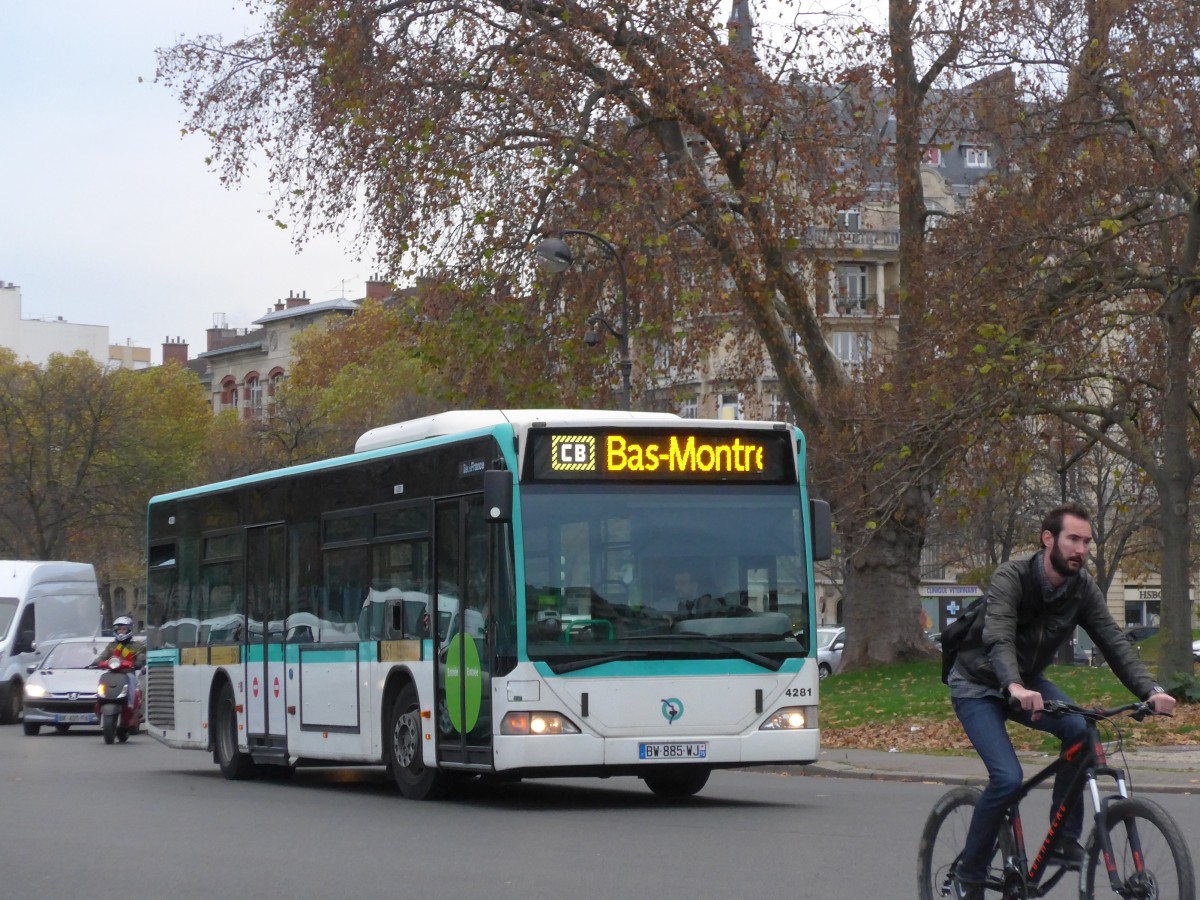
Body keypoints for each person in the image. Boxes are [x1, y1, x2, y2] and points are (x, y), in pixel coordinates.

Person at [947, 503, 1176, 900]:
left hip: (1029, 682)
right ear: (1048, 538)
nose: (1081, 549)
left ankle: (1065, 841)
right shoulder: (1012, 577)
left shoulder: (1082, 589)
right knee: (1007, 779)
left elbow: (1114, 642)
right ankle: (971, 871)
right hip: (978, 685)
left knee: (1081, 732)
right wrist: (1014, 686)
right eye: (1073, 539)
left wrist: (1150, 691)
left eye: (1087, 542)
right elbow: (998, 636)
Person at [94, 615, 146, 707]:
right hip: (112, 673)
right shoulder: (112, 645)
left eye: (123, 629)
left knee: (132, 683)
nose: (121, 631)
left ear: (129, 630)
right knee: (102, 683)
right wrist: (96, 662)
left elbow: (141, 656)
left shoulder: (136, 645)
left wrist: (138, 662)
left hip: (128, 673)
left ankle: (131, 705)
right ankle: (100, 703)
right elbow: (103, 656)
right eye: (119, 629)